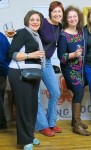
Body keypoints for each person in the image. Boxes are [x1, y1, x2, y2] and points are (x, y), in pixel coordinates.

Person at [8, 10, 45, 149]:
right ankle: (25, 140)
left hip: (33, 74)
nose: (35, 22)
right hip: (19, 74)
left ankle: (30, 135)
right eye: (32, 19)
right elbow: (11, 53)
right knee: (24, 108)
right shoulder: (22, 33)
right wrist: (31, 55)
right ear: (27, 21)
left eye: (38, 20)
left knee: (32, 107)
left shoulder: (35, 35)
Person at [57, 6, 91, 136]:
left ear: (78, 17)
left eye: (75, 16)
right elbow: (61, 57)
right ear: (66, 19)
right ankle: (76, 126)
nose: (72, 19)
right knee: (78, 91)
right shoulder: (63, 35)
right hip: (69, 69)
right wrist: (73, 55)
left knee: (80, 92)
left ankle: (75, 121)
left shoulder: (82, 32)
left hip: (82, 69)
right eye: (70, 16)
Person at [35, 1, 64, 136]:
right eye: (54, 11)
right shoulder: (42, 22)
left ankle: (51, 122)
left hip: (46, 62)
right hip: (33, 61)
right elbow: (29, 31)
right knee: (36, 96)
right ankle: (42, 125)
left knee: (56, 92)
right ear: (50, 12)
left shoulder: (60, 26)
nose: (57, 14)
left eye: (59, 11)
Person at [0, 32, 10, 129]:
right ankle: (2, 123)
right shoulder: (2, 36)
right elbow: (10, 52)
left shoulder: (1, 37)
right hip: (3, 71)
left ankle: (2, 123)